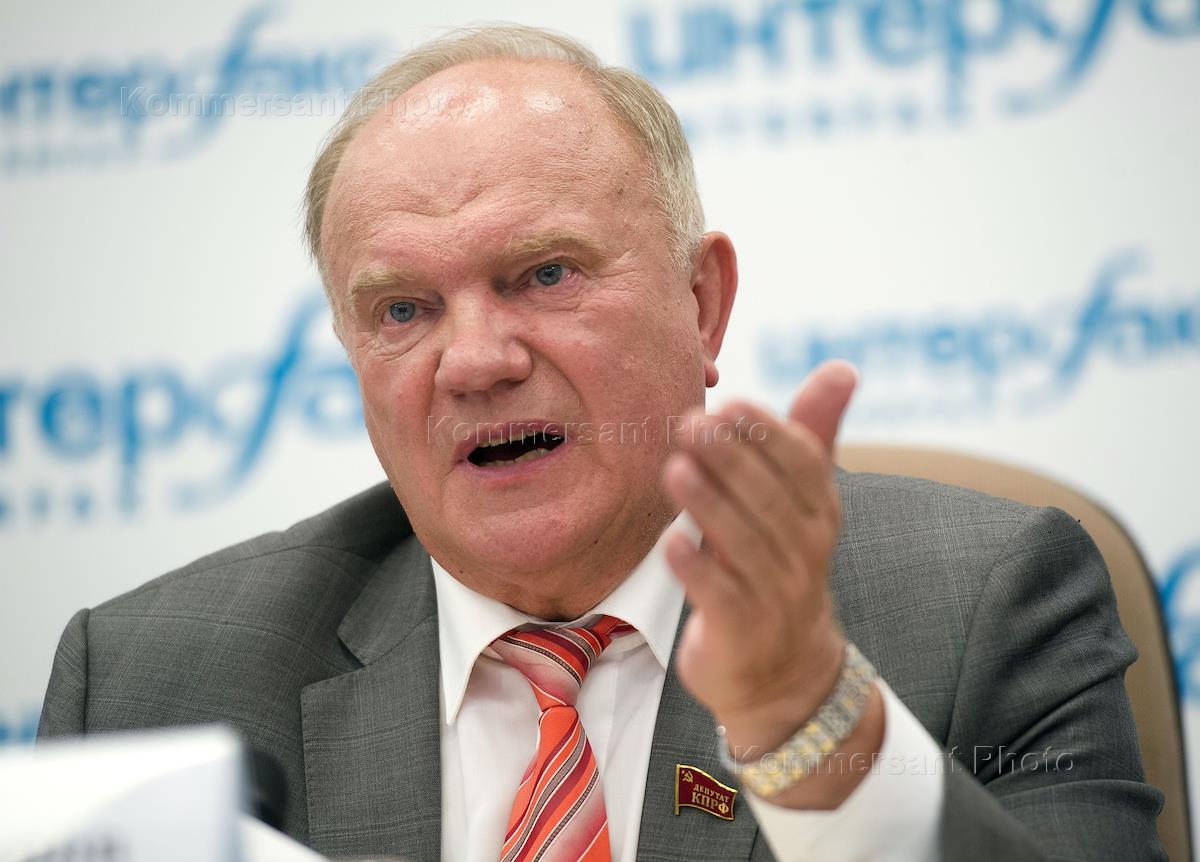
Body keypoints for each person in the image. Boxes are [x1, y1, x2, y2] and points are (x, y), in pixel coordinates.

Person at [38, 25, 1164, 862]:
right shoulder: (149, 681)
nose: (475, 360)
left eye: (545, 274)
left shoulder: (982, 603)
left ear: (702, 304)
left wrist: (805, 718)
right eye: (402, 310)